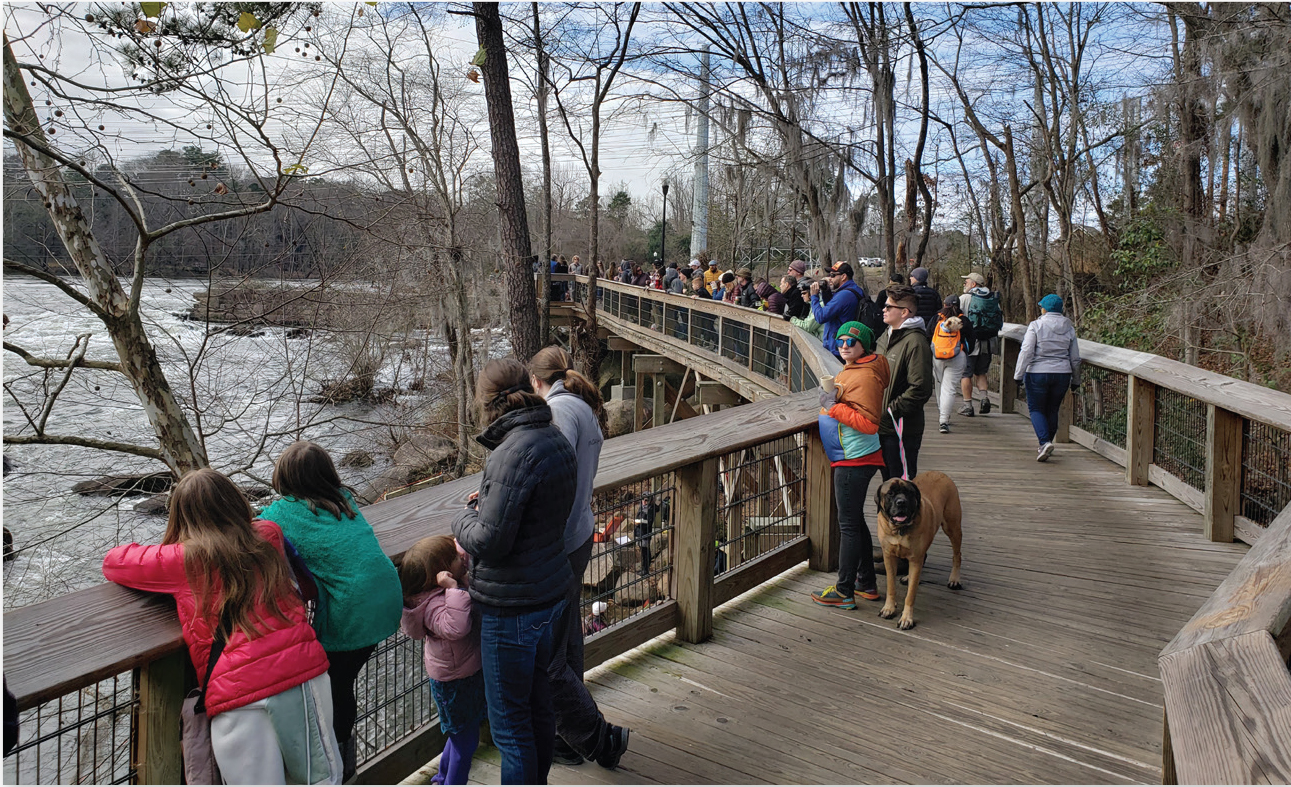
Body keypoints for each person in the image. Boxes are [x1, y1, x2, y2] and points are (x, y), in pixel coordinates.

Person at [102, 469, 341, 785]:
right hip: (303, 679)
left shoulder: (182, 560)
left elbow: (114, 562)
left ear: (181, 517)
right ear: (235, 502)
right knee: (321, 780)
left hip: (239, 694)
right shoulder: (268, 534)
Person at [452, 359, 577, 785]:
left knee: (509, 726)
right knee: (539, 705)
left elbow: (489, 540)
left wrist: (464, 517)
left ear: (488, 405)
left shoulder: (513, 450)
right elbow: (532, 511)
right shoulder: (552, 436)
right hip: (551, 592)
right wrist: (490, 498)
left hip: (514, 606)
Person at [261, 441, 403, 781]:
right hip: (385, 597)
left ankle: (336, 767)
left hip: (351, 614)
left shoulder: (281, 515)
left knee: (334, 688)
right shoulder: (344, 498)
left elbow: (253, 533)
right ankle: (341, 761)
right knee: (342, 682)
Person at [527, 347, 630, 770]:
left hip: (560, 540)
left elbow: (552, 476)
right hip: (581, 531)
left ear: (536, 382)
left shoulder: (557, 414)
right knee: (567, 637)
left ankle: (580, 733)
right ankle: (568, 731)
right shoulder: (583, 407)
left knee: (546, 650)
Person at [809, 322, 891, 609]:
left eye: (851, 342)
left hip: (854, 457)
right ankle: (866, 582)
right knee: (854, 521)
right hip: (851, 455)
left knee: (848, 526)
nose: (844, 345)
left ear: (864, 347)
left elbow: (870, 424)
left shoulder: (866, 375)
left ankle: (844, 590)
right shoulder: (855, 368)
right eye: (841, 340)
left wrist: (833, 407)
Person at [398, 535, 486, 786]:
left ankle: (440, 778)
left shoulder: (431, 593)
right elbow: (457, 627)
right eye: (455, 558)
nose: (462, 559)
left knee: (460, 735)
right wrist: (453, 589)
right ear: (442, 572)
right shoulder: (434, 605)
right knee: (465, 742)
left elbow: (457, 551)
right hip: (454, 683)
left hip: (462, 674)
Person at [876, 285, 933, 480]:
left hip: (901, 429)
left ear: (904, 312)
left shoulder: (916, 342)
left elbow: (921, 388)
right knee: (888, 482)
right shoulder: (886, 336)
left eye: (888, 306)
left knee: (902, 485)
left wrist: (891, 410)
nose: (883, 309)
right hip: (882, 427)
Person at [1015, 293, 1082, 462]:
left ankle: (1044, 442)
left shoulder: (1036, 326)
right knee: (1052, 409)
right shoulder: (1069, 328)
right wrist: (1076, 380)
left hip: (1037, 372)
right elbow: (1075, 357)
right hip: (1062, 374)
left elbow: (1027, 351)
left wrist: (1018, 375)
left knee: (1036, 409)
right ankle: (1046, 443)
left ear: (1044, 309)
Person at [958, 272, 1003, 416]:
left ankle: (967, 405)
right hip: (988, 342)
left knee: (966, 374)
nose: (964, 284)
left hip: (970, 343)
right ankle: (984, 398)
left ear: (973, 284)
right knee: (981, 372)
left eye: (967, 282)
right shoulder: (992, 299)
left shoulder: (965, 298)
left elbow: (958, 318)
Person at [930, 297, 977, 435]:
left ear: (945, 304)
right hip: (957, 356)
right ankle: (944, 420)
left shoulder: (937, 319)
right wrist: (966, 351)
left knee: (939, 383)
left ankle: (941, 411)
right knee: (949, 388)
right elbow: (972, 340)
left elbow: (928, 334)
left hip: (937, 356)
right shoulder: (964, 321)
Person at [810, 261, 866, 360]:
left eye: (832, 275)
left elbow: (821, 317)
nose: (829, 278)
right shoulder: (854, 289)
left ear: (843, 277)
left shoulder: (844, 295)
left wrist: (814, 296)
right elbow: (833, 310)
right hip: (847, 345)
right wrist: (826, 291)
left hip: (839, 349)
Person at [909, 267, 942, 337]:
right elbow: (939, 310)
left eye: (912, 276)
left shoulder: (910, 293)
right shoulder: (934, 293)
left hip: (914, 326)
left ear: (917, 278)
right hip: (930, 327)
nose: (910, 278)